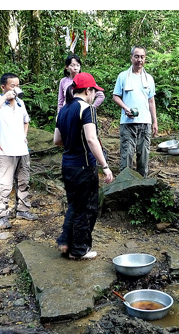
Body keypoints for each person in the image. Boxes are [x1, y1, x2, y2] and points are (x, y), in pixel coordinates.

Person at [54, 72, 114, 260]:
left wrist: (72, 143)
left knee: (74, 204)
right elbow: (91, 139)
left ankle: (66, 243)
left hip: (67, 165)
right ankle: (79, 249)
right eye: (94, 91)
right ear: (87, 90)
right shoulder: (87, 109)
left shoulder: (63, 109)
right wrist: (104, 165)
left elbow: (57, 140)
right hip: (83, 166)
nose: (95, 95)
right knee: (86, 208)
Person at [0, 73, 38, 228]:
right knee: (4, 184)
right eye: (12, 85)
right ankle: (1, 214)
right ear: (3, 87)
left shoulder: (21, 103)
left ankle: (22, 209)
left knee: (23, 181)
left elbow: (26, 121)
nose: (16, 88)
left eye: (18, 85)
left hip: (22, 150)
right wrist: (4, 97)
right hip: (5, 151)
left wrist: (24, 136)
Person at [113, 45, 158, 178]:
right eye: (136, 56)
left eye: (142, 57)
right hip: (128, 123)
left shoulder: (149, 78)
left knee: (143, 156)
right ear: (131, 57)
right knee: (126, 154)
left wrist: (154, 121)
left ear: (145, 59)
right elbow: (116, 96)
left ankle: (142, 184)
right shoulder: (123, 76)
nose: (139, 59)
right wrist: (126, 109)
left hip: (145, 122)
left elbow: (151, 101)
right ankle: (124, 185)